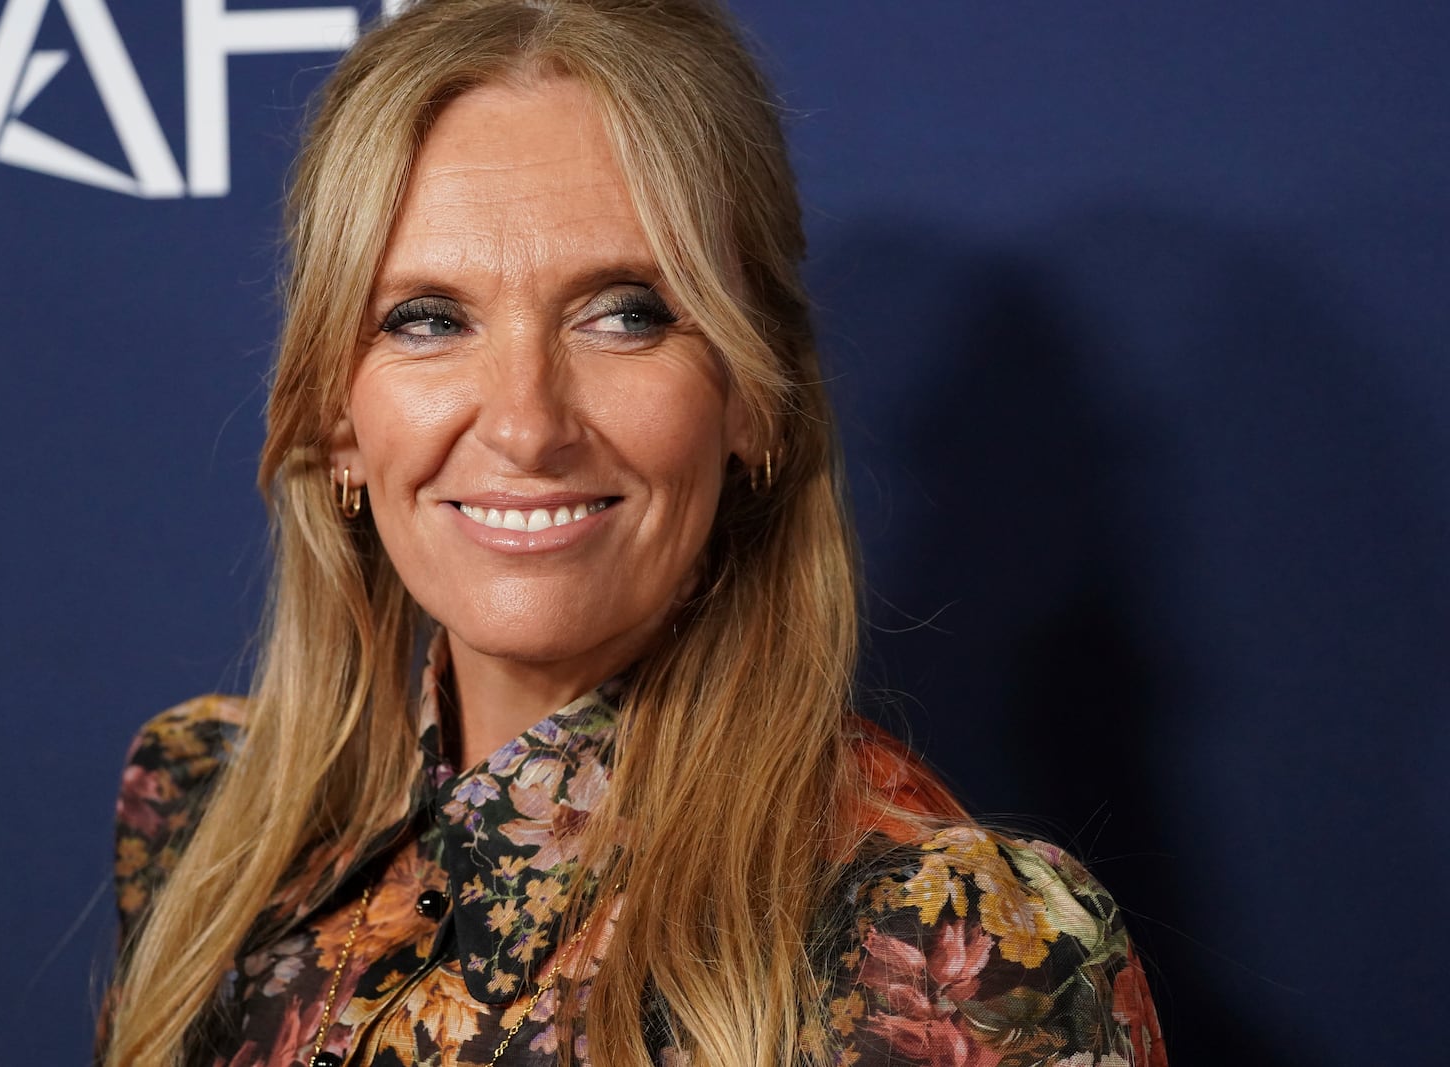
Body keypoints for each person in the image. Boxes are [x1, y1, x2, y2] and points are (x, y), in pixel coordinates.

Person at [101, 1, 1167, 1065]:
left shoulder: (948, 948)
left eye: (624, 311)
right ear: (336, 417)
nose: (526, 424)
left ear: (754, 395)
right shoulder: (207, 814)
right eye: (427, 318)